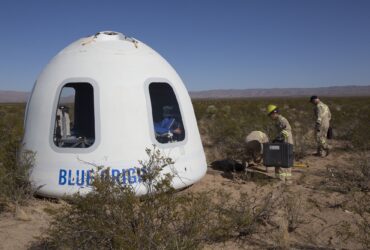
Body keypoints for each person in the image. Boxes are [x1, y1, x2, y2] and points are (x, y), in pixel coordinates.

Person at [267, 104, 294, 183]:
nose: (270, 117)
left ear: (274, 113)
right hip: (285, 142)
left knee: (282, 160)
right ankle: (287, 180)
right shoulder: (278, 120)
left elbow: (288, 130)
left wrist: (279, 138)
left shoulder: (282, 120)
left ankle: (282, 180)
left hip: (285, 143)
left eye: (270, 115)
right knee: (287, 161)